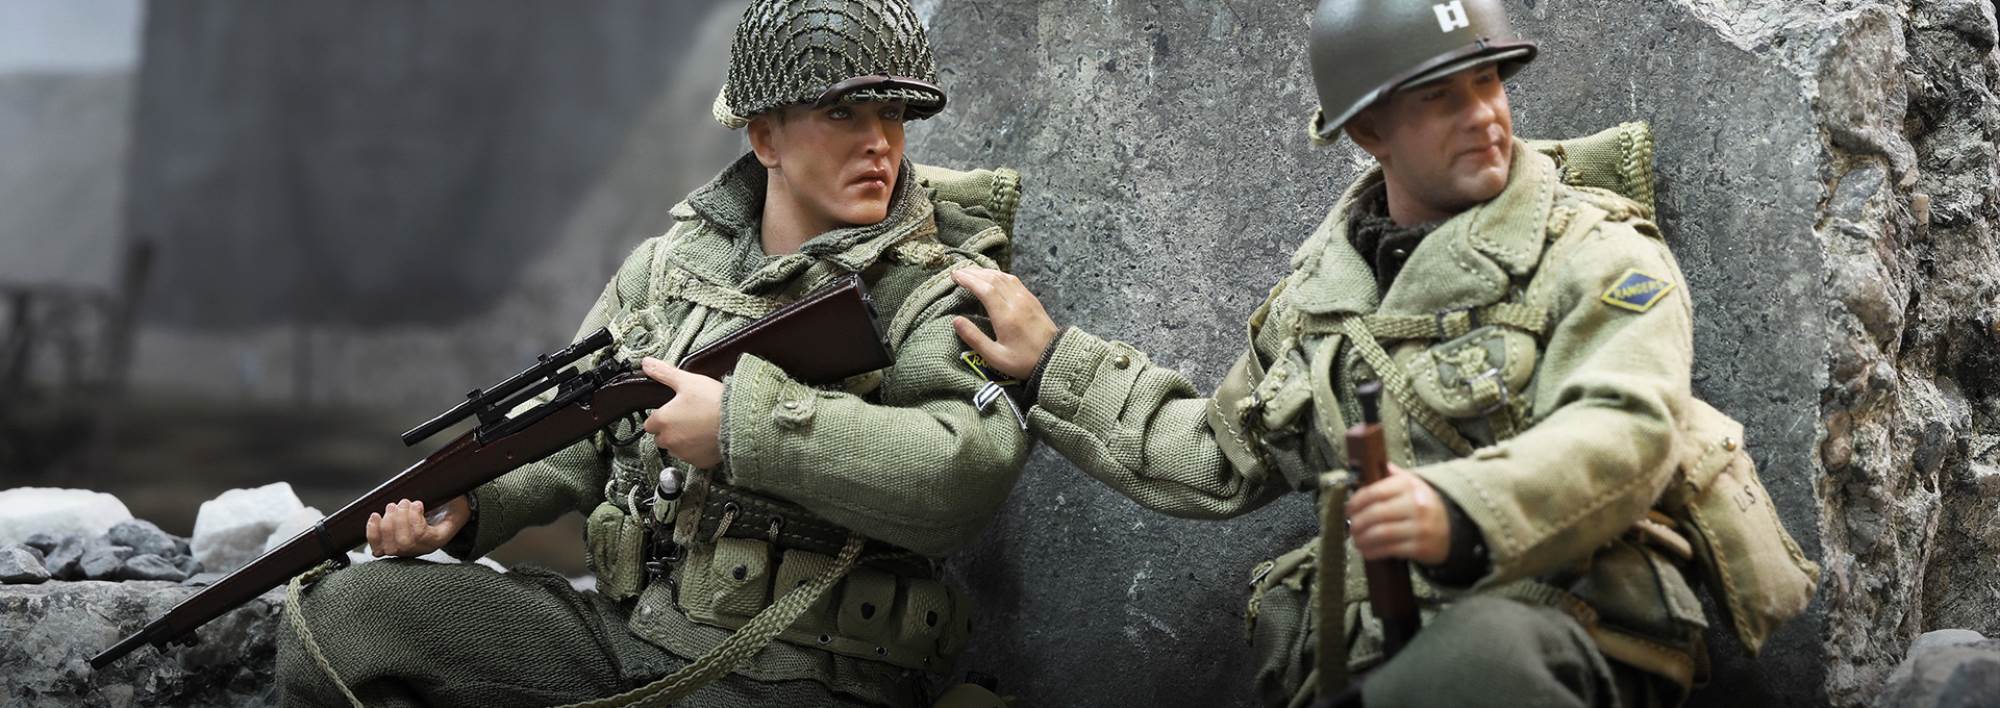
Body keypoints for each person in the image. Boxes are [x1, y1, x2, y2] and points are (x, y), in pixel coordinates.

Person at [951, 1, 1715, 706]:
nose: (1484, 114)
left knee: (1477, 659)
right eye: (1441, 97)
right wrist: (1053, 362)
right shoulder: (1322, 301)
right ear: (1370, 131)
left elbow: (1626, 428)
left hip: (1567, 624)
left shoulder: (1595, 251)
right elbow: (1220, 455)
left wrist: (1460, 509)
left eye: (1488, 82)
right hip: (1379, 658)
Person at [275, 2, 1030, 706]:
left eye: (893, 115)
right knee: (342, 618)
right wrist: (472, 502)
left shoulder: (939, 284)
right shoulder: (670, 268)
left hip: (804, 671)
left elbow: (964, 469)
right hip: (630, 632)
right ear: (765, 138)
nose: (880, 143)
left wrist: (742, 425)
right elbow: (574, 429)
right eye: (843, 113)